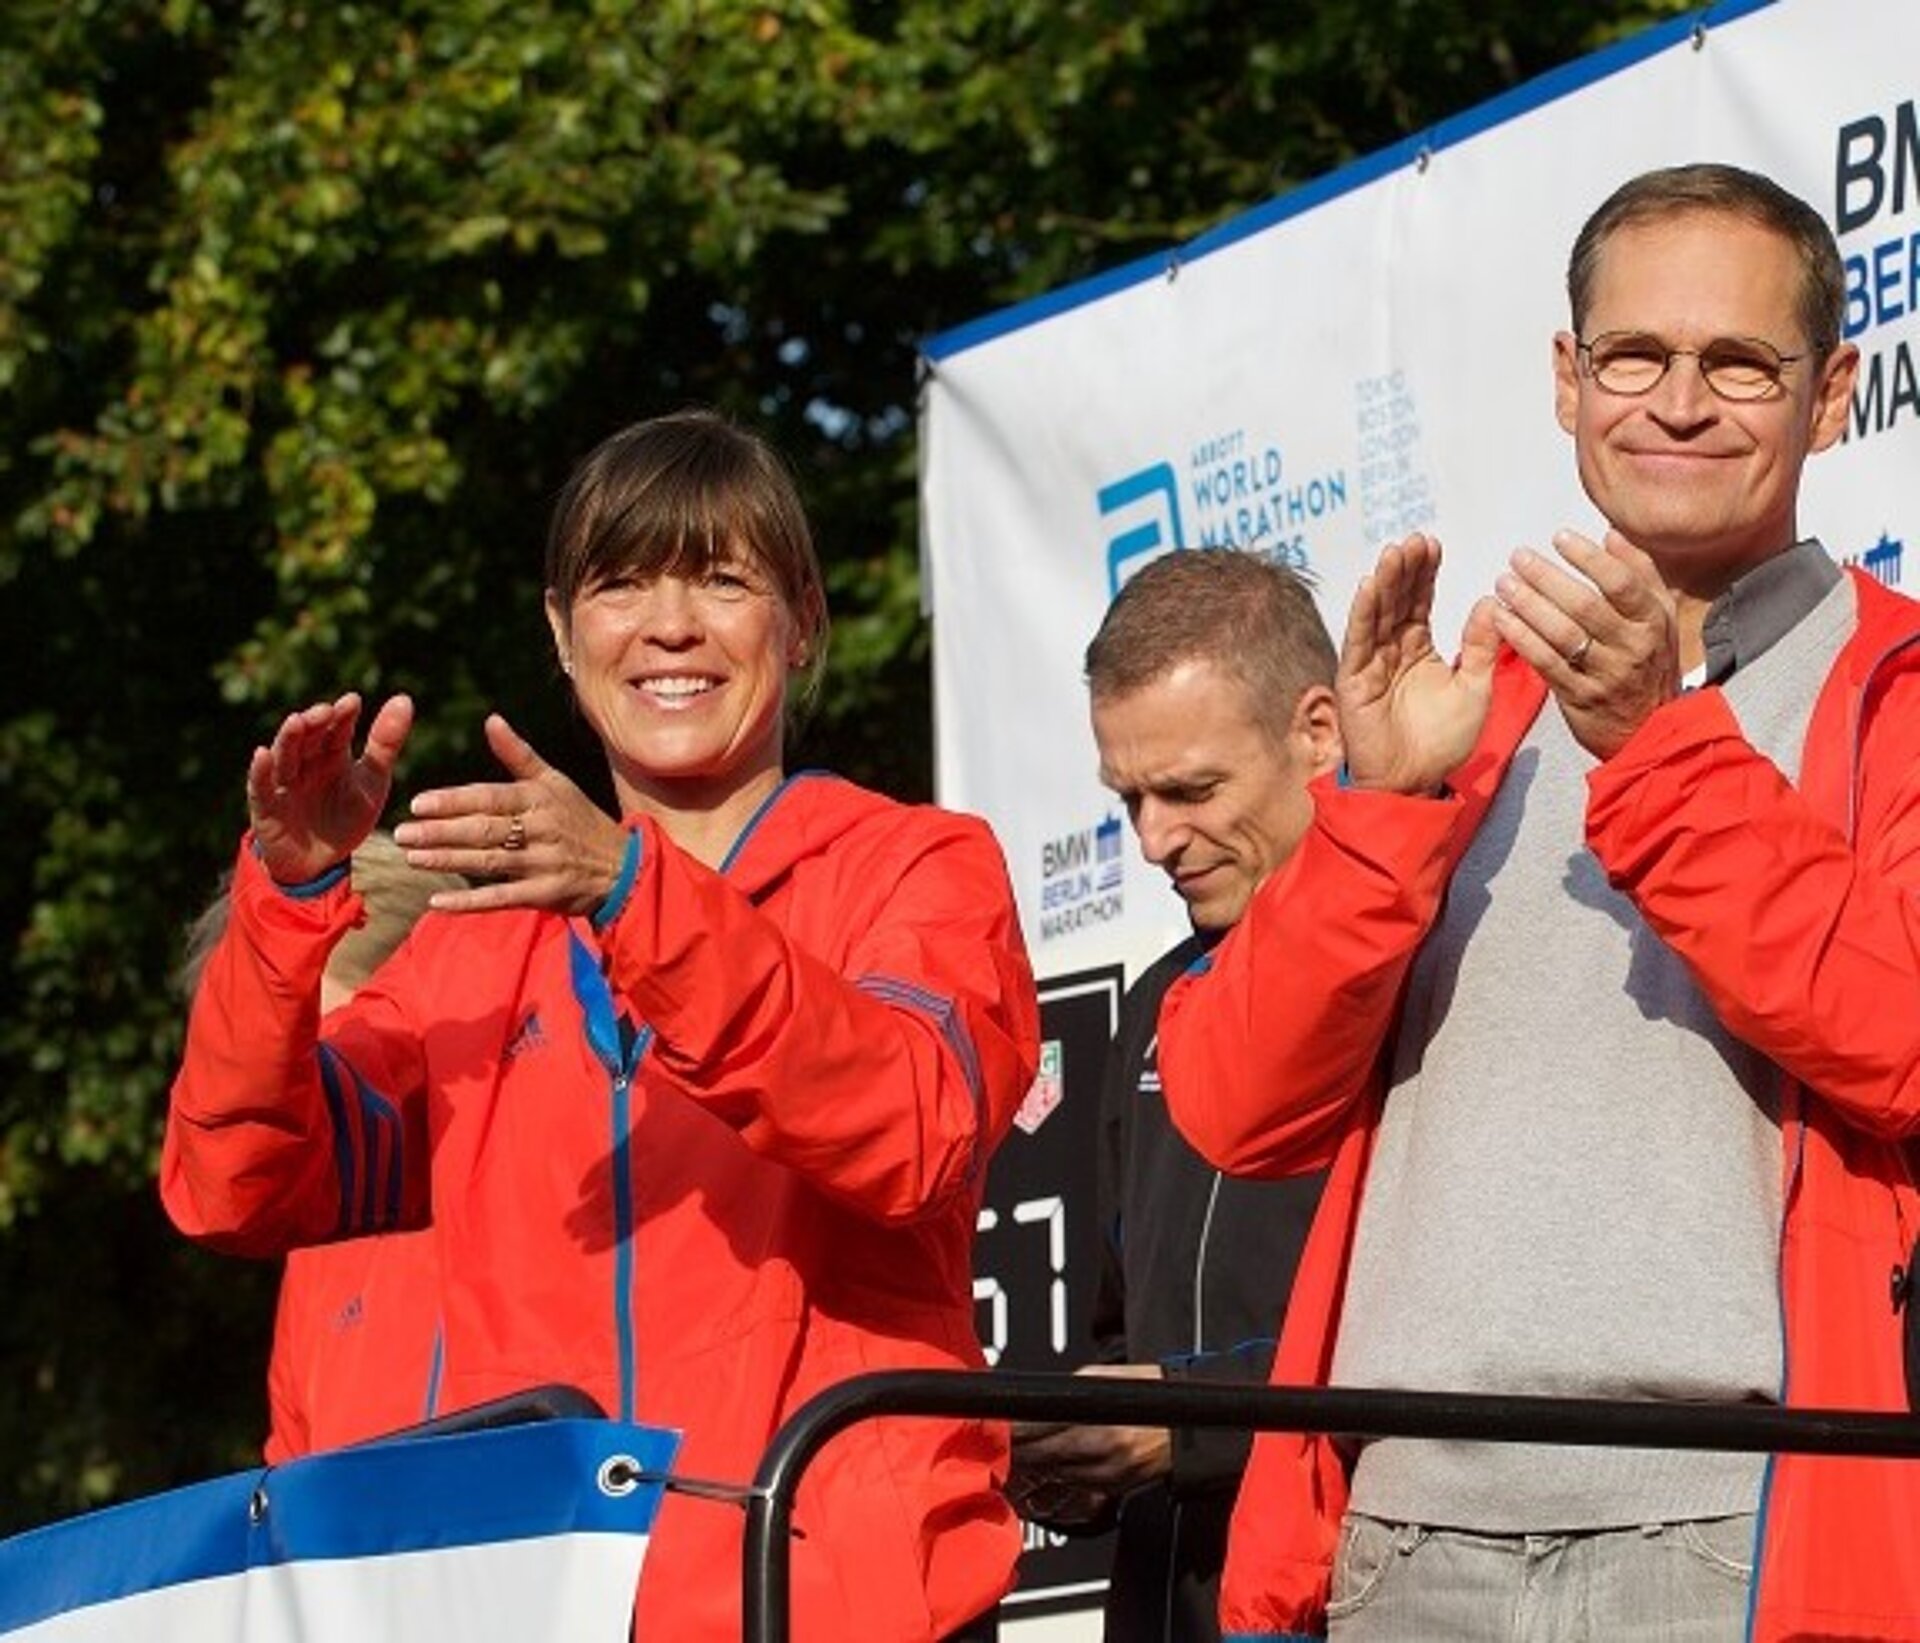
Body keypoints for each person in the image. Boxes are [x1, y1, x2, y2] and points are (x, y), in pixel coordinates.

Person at [1158, 162, 1920, 1641]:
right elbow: (1236, 1107)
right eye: (1634, 355)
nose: (1678, 402)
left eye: (1738, 364)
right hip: (1401, 1522)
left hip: (1730, 1520)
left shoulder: (1895, 691)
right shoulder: (1473, 710)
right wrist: (1382, 817)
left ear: (1831, 395)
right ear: (1569, 381)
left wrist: (1654, 745)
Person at [161, 409, 1040, 1642]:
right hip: (538, 1607)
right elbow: (238, 1187)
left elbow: (914, 1125)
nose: (668, 625)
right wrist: (290, 906)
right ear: (564, 638)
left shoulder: (918, 870)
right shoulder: (468, 949)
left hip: (829, 1608)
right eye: (620, 584)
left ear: (800, 620)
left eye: (721, 580)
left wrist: (635, 896)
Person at [1008, 548, 1337, 1642]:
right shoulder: (1154, 1000)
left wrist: (1188, 1421)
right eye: (1131, 797)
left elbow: (1463, 1336)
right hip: (1166, 1599)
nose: (1153, 840)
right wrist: (1086, 1440)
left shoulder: (1434, 962)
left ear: (1319, 733)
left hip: (1371, 1584)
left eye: (1191, 790)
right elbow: (1124, 1328)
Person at [178, 831, 464, 1462]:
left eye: (315, 1056)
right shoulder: (314, 1252)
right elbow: (293, 1481)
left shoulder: (553, 1164)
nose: (283, 1106)